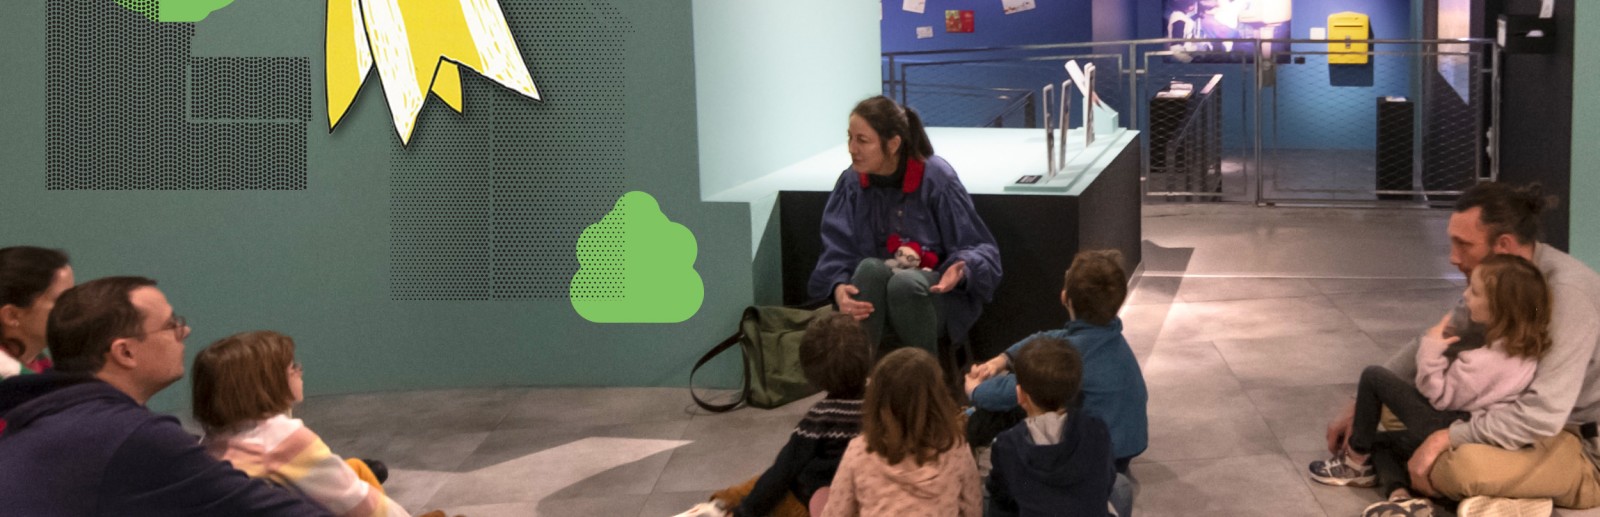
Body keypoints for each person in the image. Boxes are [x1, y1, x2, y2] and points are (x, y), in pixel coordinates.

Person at [1322, 183, 1600, 516]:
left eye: (1463, 244)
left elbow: (1542, 415)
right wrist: (1359, 404)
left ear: (1503, 245)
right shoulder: (1499, 278)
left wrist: (1447, 438)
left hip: (1576, 443)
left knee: (1456, 467)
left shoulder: (1568, 295)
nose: (1453, 257)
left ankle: (1503, 494)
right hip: (1510, 419)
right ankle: (1497, 494)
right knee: (1394, 407)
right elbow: (1438, 339)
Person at [0, 276, 331, 516]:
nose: (184, 331)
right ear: (125, 352)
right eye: (172, 324)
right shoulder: (130, 436)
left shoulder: (42, 416)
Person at [1311, 255, 1552, 506]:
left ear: (1499, 306)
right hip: (1479, 431)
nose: (1466, 295)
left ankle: (1354, 463)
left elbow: (1439, 397)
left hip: (1455, 423)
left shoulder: (1482, 360)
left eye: (1475, 292)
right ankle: (1400, 496)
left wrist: (1430, 347)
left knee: (1374, 376)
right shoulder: (1526, 354)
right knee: (1380, 442)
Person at [809, 95, 1001, 358]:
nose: (852, 148)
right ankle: (860, 376)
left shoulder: (936, 178)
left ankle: (921, 378)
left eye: (862, 140)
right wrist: (838, 288)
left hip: (932, 294)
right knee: (868, 270)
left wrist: (962, 268)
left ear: (893, 144)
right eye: (850, 138)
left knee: (904, 285)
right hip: (873, 295)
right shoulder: (851, 183)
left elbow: (980, 247)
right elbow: (836, 251)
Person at [965, 250, 1148, 475]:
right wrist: (1002, 360)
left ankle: (968, 442)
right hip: (1127, 445)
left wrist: (976, 390)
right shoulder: (1108, 337)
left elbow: (1016, 388)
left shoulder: (1074, 352)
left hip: (1098, 454)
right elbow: (1050, 336)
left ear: (1064, 297)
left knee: (1023, 402)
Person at [193, 330, 409, 517]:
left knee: (355, 467)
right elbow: (360, 503)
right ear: (268, 385)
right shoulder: (282, 438)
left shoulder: (213, 440)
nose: (299, 371)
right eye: (292, 368)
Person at [676, 313, 872, 517]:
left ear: (809, 376)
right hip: (868, 495)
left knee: (758, 487)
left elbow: (782, 472)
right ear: (869, 352)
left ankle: (720, 509)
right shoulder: (880, 405)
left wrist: (745, 511)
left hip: (814, 501)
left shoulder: (819, 419)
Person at [818, 347, 982, 516]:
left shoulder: (859, 451)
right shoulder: (955, 447)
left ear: (876, 399)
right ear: (939, 399)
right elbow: (973, 509)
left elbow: (835, 513)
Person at [986, 336, 1118, 517]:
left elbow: (1001, 497)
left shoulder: (1006, 446)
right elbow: (1107, 481)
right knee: (1122, 487)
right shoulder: (1097, 430)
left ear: (1020, 395)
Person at [0, 246, 73, 378]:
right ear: (11, 316)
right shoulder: (11, 379)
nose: (75, 307)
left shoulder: (42, 366)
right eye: (62, 300)